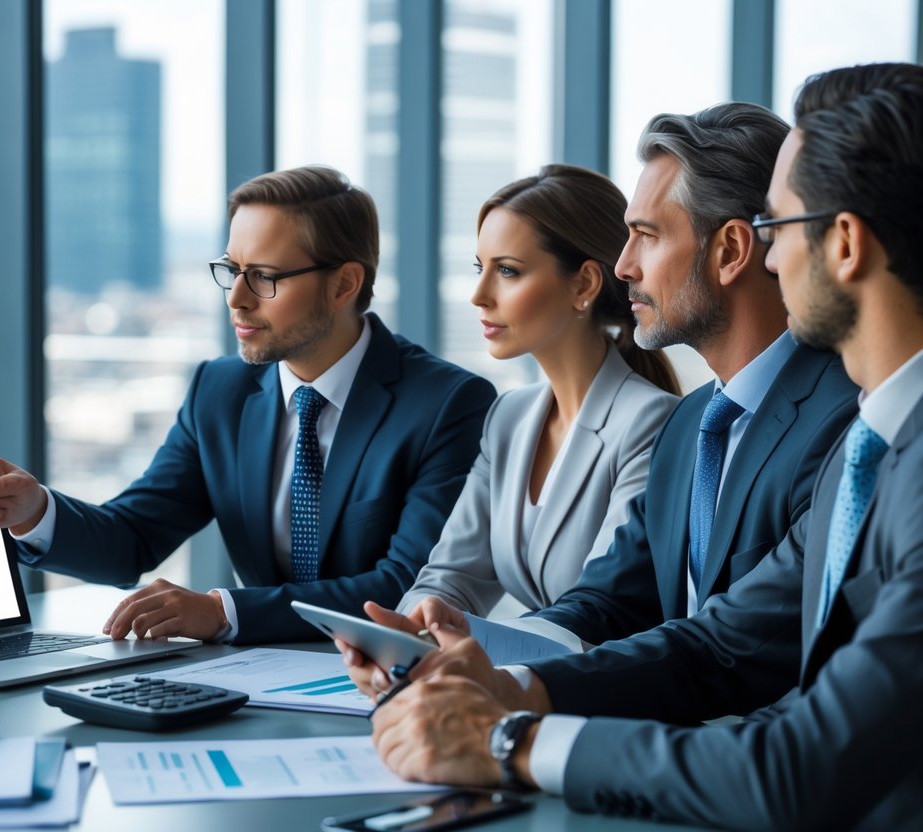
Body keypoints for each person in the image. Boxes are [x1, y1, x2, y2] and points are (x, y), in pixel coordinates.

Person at [371, 62, 923, 830]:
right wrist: (518, 689)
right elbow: (718, 645)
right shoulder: (869, 442)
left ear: (844, 245)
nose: (769, 258)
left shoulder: (875, 448)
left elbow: (801, 762)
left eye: (778, 228)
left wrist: (511, 740)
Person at [343, 101, 858, 694]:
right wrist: (468, 646)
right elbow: (608, 601)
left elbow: (723, 643)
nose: (623, 266)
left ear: (732, 251)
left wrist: (521, 692)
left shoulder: (842, 420)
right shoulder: (693, 424)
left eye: (645, 236)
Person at [0, 165, 496, 644]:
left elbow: (407, 587)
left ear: (345, 283)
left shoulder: (449, 405)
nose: (237, 297)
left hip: (390, 687)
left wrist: (224, 612)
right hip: (255, 682)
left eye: (264, 277)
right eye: (231, 270)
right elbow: (132, 539)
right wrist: (33, 511)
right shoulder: (220, 391)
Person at [392, 165, 679, 621]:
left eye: (507, 271)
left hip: (599, 682)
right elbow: (451, 576)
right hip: (522, 676)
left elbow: (602, 609)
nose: (479, 295)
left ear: (584, 284)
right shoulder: (510, 416)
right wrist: (409, 633)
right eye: (479, 268)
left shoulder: (653, 423)